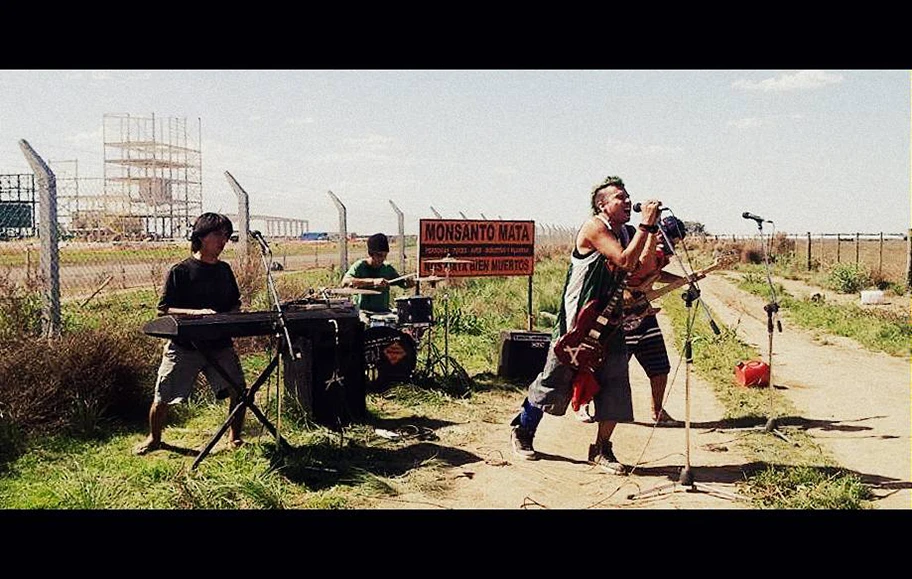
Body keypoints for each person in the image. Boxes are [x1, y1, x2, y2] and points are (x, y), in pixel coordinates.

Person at [509, 175, 662, 474]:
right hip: (576, 323)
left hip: (609, 323)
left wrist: (651, 229)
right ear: (601, 204)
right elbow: (623, 261)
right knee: (554, 380)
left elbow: (642, 268)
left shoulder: (627, 232)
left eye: (629, 195)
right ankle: (523, 430)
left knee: (616, 384)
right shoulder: (594, 227)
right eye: (620, 197)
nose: (629, 200)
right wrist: (645, 226)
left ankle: (602, 449)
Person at [133, 212, 247, 456]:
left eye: (226, 236)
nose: (223, 241)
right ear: (201, 237)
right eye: (218, 235)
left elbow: (234, 303)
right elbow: (164, 308)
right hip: (185, 346)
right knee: (163, 395)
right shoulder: (181, 271)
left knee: (239, 389)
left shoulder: (225, 270)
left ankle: (234, 438)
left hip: (219, 343)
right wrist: (197, 314)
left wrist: (232, 315)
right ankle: (154, 438)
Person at [618, 215, 688, 427]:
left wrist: (681, 281)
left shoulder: (660, 255)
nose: (670, 246)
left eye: (674, 242)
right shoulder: (637, 247)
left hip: (645, 318)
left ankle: (657, 411)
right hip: (621, 320)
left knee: (660, 366)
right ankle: (584, 404)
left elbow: (655, 274)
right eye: (669, 240)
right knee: (613, 370)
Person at [342, 233, 414, 325]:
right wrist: (373, 282)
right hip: (364, 312)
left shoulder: (387, 268)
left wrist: (409, 283)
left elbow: (401, 283)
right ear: (370, 254)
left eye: (385, 255)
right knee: (364, 324)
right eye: (380, 255)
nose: (383, 259)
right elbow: (345, 282)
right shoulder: (360, 266)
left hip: (384, 312)